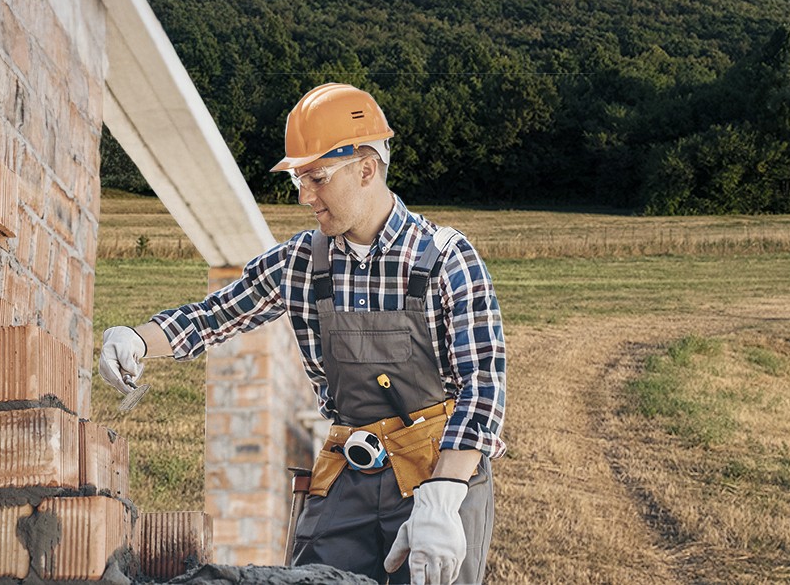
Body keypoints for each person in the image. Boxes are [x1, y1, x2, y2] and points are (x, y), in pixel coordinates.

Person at [98, 83, 506, 585]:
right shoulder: (301, 263)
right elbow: (214, 315)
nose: (304, 197)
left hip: (437, 470)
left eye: (316, 177)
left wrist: (443, 494)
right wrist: (138, 338)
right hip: (349, 474)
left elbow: (483, 387)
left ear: (365, 168)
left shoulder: (445, 258)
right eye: (298, 179)